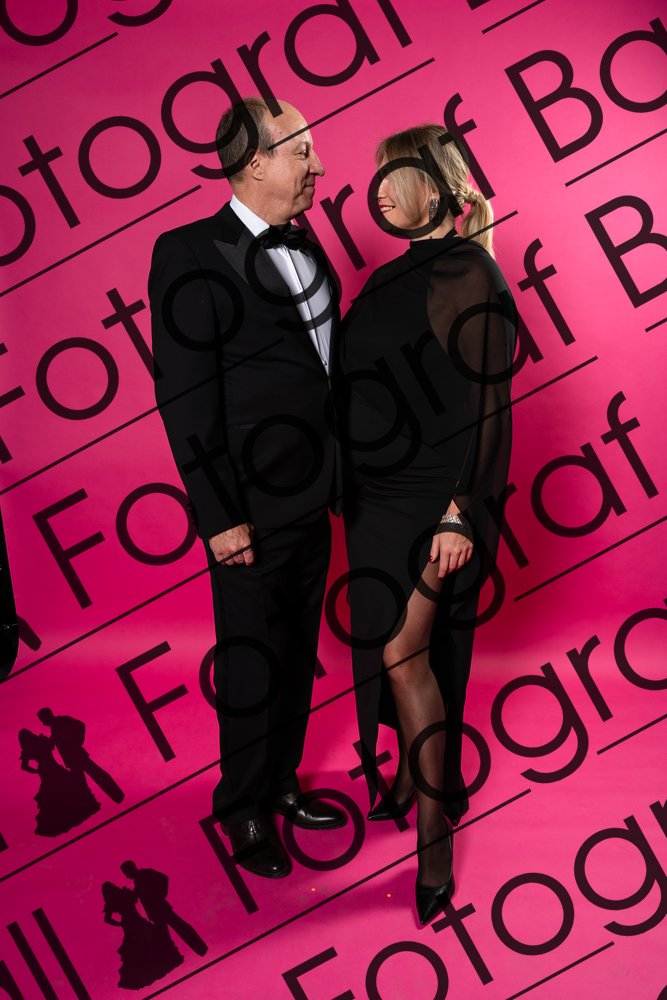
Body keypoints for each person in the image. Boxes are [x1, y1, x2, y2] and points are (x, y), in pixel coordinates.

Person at [148, 97, 346, 880]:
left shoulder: (307, 243)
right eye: (301, 151)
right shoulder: (188, 252)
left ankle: (280, 781)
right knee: (250, 659)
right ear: (254, 162)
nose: (318, 166)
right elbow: (185, 396)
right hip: (249, 509)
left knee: (296, 650)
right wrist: (218, 516)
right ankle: (240, 808)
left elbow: (320, 371)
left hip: (316, 492)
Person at [335, 124, 516, 925]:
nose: (376, 191)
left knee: (401, 653)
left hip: (432, 499)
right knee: (396, 652)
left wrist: (459, 511)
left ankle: (434, 851)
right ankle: (416, 775)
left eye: (391, 175)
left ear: (432, 186)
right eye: (375, 177)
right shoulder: (384, 277)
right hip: (372, 501)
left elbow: (487, 404)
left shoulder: (468, 271)